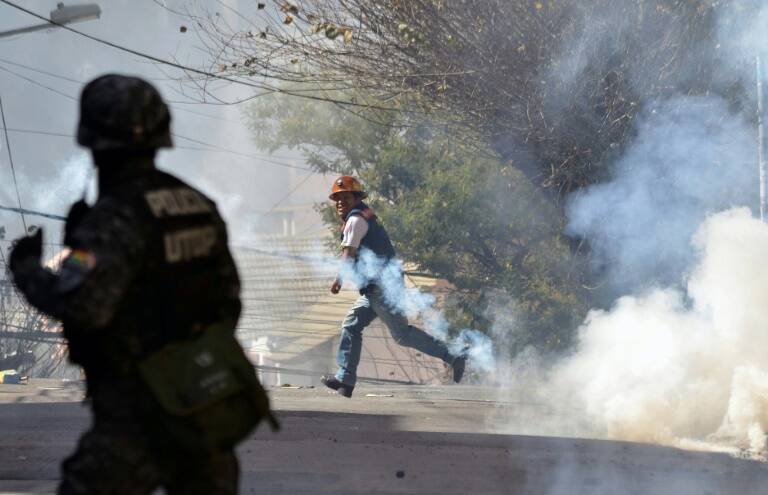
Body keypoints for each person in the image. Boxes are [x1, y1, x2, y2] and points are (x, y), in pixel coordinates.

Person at [8, 74, 275, 494]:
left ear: (93, 140)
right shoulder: (195, 204)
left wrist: (27, 272)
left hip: (138, 412)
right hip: (203, 404)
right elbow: (229, 300)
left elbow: (84, 308)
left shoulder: (115, 218)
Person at [321, 176, 466, 398]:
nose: (340, 202)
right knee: (351, 326)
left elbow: (348, 254)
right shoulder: (360, 217)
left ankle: (453, 356)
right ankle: (345, 380)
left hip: (382, 290)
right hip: (375, 290)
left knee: (401, 335)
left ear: (357, 198)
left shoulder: (355, 221)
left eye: (346, 197)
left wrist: (338, 280)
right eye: (337, 199)